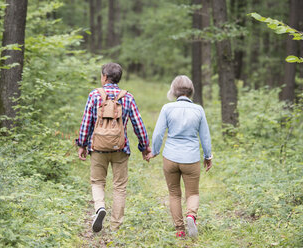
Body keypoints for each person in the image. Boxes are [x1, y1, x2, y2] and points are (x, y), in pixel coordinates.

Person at [76, 62, 151, 232]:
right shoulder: (127, 97)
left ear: (104, 77)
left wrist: (82, 144)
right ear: (118, 79)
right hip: (120, 149)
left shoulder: (94, 95)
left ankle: (100, 207)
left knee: (97, 182)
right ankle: (116, 226)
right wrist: (144, 147)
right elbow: (138, 125)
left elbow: (86, 123)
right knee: (119, 187)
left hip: (98, 148)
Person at [146, 75, 212, 238]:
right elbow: (205, 136)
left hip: (171, 157)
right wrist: (208, 156)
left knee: (174, 193)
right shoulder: (198, 110)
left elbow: (158, 134)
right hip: (191, 158)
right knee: (193, 193)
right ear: (191, 91)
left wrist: (154, 151)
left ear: (174, 91)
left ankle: (180, 230)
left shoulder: (167, 108)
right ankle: (191, 216)